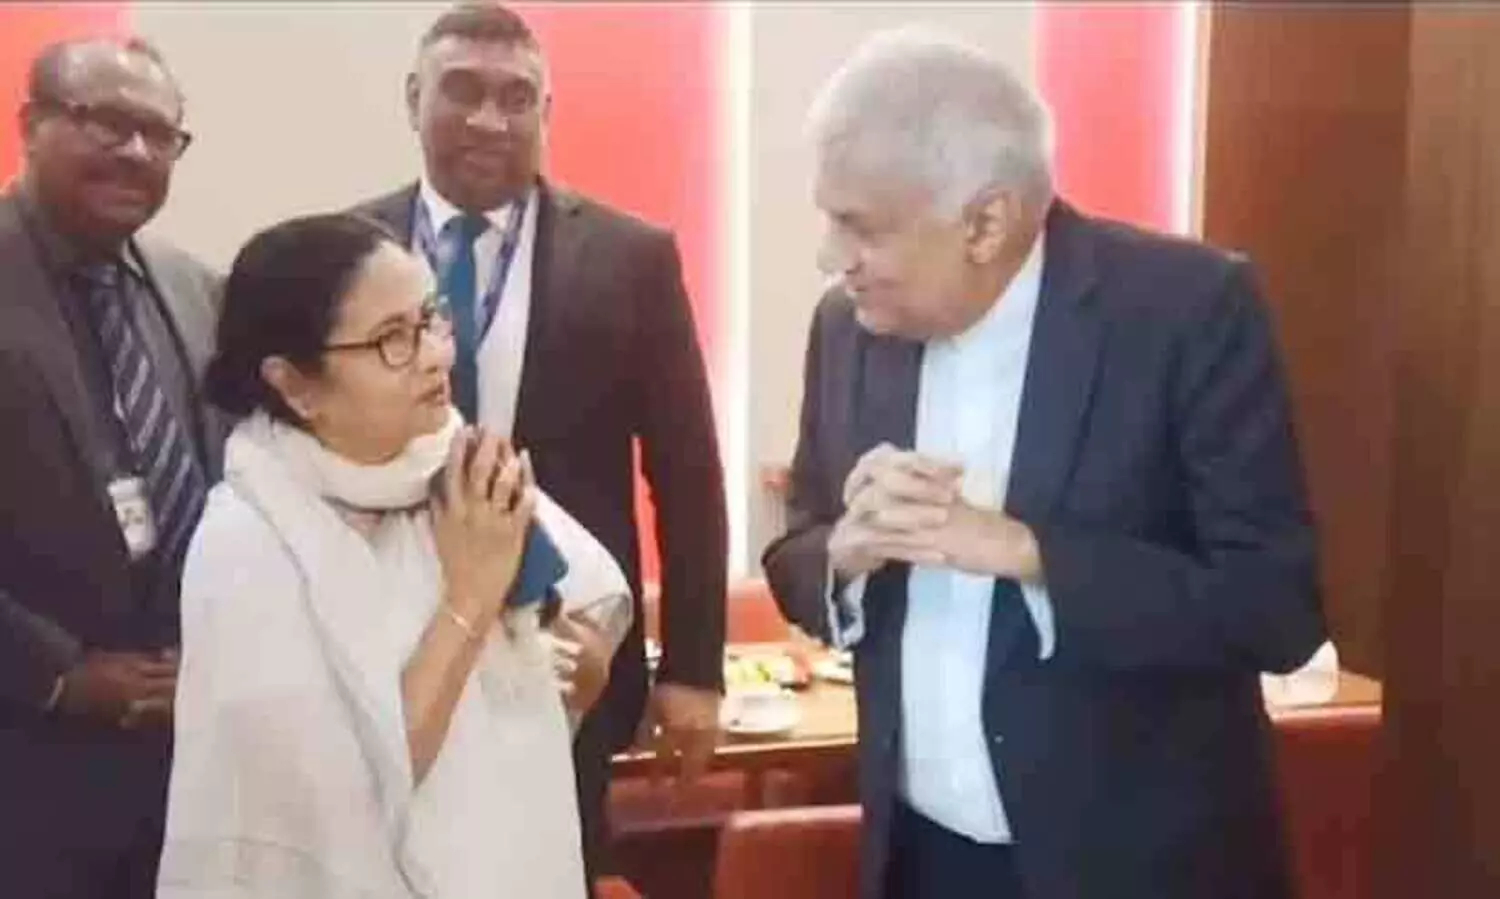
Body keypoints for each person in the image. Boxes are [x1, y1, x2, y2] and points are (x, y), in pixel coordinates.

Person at [762, 27, 1328, 899]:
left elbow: (1274, 611)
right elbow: (800, 546)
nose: (829, 258)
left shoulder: (1186, 312)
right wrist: (846, 553)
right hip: (923, 859)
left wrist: (1028, 552)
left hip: (1135, 867)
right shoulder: (849, 329)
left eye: (858, 227)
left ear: (985, 220)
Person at [352, 1, 728, 878]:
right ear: (414, 99)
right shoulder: (350, 248)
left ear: (546, 114)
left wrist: (695, 668)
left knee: (550, 868)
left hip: (570, 653)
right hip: (389, 646)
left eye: (518, 97)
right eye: (463, 92)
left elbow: (687, 471)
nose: (491, 118)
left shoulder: (633, 257)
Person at [156, 212, 632, 898]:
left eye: (430, 318)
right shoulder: (248, 545)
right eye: (392, 340)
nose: (439, 353)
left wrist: (570, 656)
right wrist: (468, 598)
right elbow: (335, 803)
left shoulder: (449, 460)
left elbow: (583, 649)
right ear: (295, 384)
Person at [0, 37, 220, 899]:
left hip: (188, 769)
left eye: (161, 134)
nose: (136, 151)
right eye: (108, 123)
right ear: (30, 125)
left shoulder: (198, 289)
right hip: (27, 766)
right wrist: (58, 673)